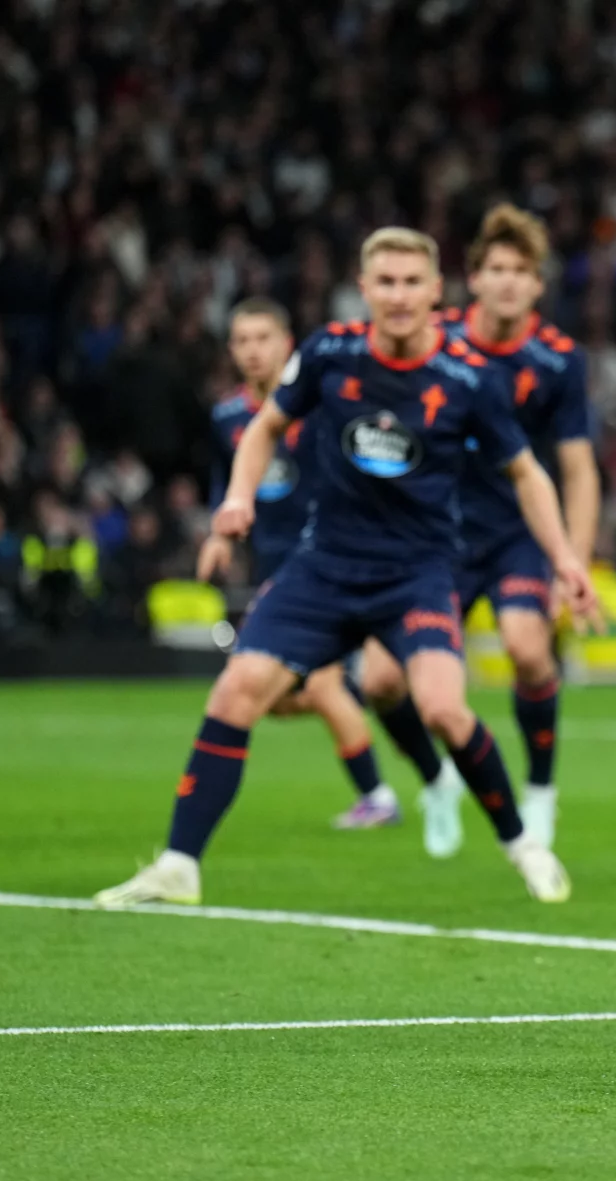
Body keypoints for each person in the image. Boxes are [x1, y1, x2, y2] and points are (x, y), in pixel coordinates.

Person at [94, 227, 597, 908]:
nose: (397, 295)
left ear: (434, 291)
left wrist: (566, 558)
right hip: (324, 565)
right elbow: (266, 426)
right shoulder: (330, 352)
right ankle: (179, 865)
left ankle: (522, 843)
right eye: (383, 282)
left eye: (411, 283)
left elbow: (528, 472)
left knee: (447, 710)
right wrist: (238, 497)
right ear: (364, 289)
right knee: (236, 691)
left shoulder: (468, 379)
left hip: (417, 572)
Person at [358, 204, 597, 855]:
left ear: (537, 285)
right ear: (473, 278)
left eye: (521, 271)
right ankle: (437, 779)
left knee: (526, 648)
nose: (508, 282)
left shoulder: (558, 361)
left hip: (514, 535)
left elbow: (576, 468)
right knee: (378, 682)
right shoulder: (435, 341)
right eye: (496, 269)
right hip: (431, 537)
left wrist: (572, 558)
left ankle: (540, 792)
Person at [195, 298, 402, 830]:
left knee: (317, 687)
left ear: (288, 344)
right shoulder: (227, 417)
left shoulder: (319, 406)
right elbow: (228, 481)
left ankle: (378, 795)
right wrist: (221, 532)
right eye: (241, 341)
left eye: (263, 338)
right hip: (273, 565)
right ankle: (367, 703)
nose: (253, 351)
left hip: (327, 563)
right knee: (280, 702)